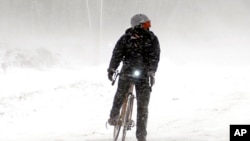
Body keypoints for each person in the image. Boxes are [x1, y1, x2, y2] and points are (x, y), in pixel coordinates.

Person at [107, 14, 160, 141]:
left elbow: (155, 57)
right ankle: (114, 116)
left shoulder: (152, 39)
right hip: (127, 71)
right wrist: (112, 68)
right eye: (146, 24)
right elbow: (117, 54)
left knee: (143, 106)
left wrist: (152, 71)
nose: (149, 27)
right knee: (120, 94)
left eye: (149, 24)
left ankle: (141, 135)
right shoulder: (125, 39)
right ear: (138, 26)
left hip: (143, 75)